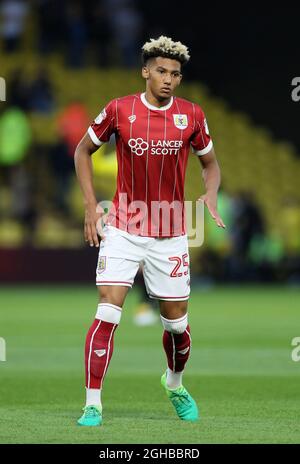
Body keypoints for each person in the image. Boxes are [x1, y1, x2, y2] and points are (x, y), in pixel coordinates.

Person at [74, 35, 225, 426]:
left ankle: (174, 383)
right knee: (107, 312)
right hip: (124, 226)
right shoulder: (119, 110)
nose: (168, 79)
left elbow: (210, 163)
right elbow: (82, 151)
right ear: (145, 71)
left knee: (176, 326)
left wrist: (210, 194)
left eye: (175, 73)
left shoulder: (191, 115)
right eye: (160, 71)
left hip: (171, 233)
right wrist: (92, 208)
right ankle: (93, 403)